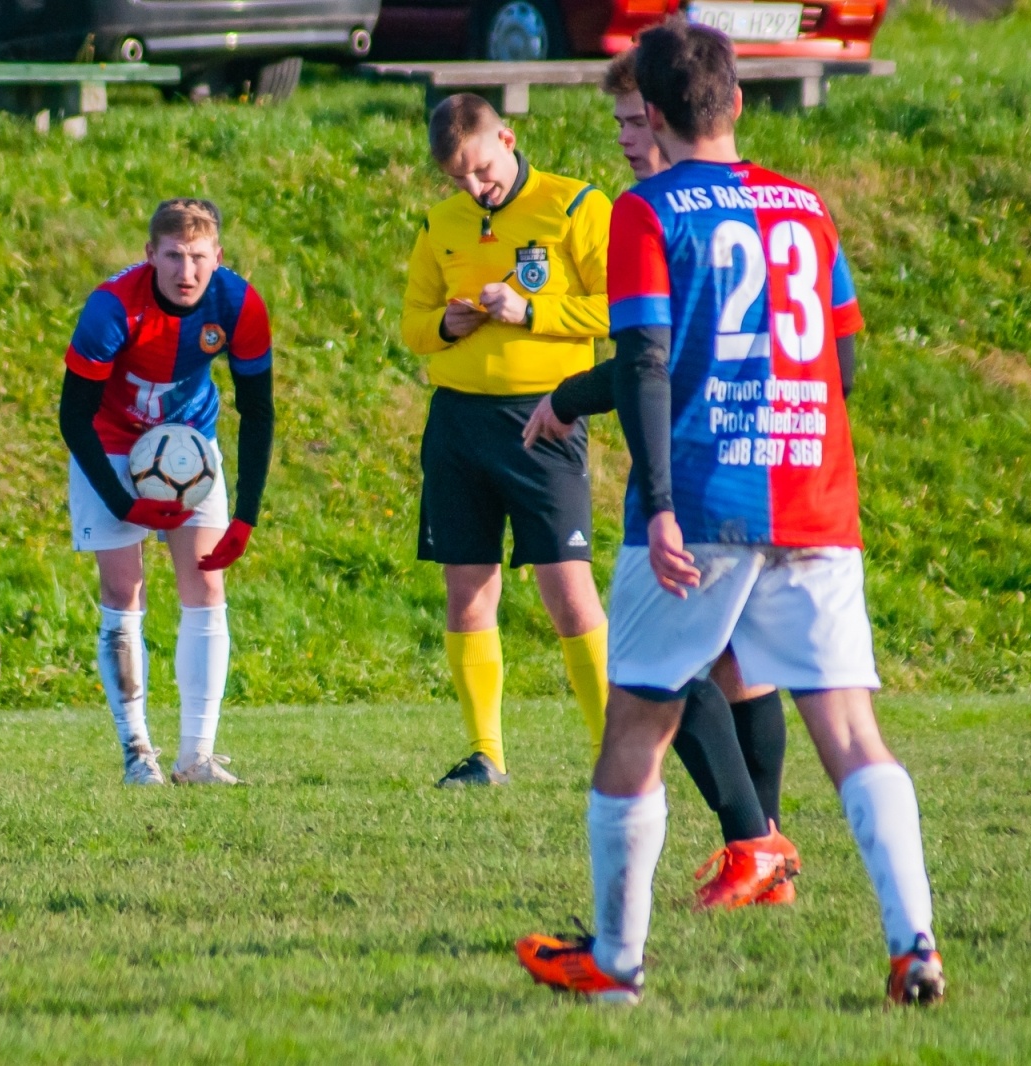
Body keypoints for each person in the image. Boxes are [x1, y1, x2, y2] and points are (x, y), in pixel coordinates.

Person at [515, 22, 945, 1006]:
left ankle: (616, 966)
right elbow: (843, 364)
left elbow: (645, 361)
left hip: (708, 495)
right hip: (814, 490)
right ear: (738, 101)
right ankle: (912, 943)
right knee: (851, 731)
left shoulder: (646, 210)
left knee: (637, 722)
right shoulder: (805, 205)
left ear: (653, 117)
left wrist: (660, 507)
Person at [524, 48, 801, 912]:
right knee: (735, 664)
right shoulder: (741, 204)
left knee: (664, 661)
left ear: (674, 116)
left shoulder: (661, 211)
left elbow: (654, 362)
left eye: (638, 123)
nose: (628, 141)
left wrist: (569, 396)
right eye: (619, 126)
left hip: (698, 472)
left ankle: (754, 842)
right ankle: (766, 858)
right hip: (774, 459)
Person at [401, 93, 614, 788]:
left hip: (543, 419)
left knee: (568, 591)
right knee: (467, 591)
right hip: (458, 421)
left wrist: (533, 311)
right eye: (458, 178)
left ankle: (613, 751)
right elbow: (412, 324)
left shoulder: (577, 206)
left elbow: (624, 305)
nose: (474, 187)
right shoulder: (441, 224)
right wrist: (444, 328)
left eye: (483, 171)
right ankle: (485, 753)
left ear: (509, 138)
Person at [60, 198, 275, 786]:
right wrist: (123, 502)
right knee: (122, 588)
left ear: (218, 257)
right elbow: (73, 417)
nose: (187, 272)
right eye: (174, 256)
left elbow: (258, 413)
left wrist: (247, 515)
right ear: (149, 254)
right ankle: (138, 755)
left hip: (188, 451)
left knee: (206, 584)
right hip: (108, 442)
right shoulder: (110, 309)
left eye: (199, 258)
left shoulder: (238, 303)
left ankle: (196, 758)